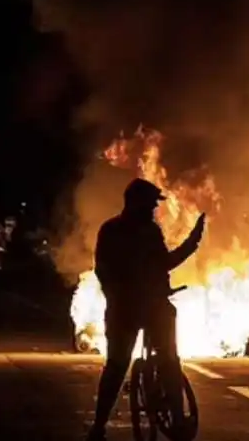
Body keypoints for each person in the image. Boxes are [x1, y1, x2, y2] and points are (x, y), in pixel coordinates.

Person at [86, 178, 205, 441]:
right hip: (147, 308)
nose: (154, 208)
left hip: (124, 310)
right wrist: (193, 241)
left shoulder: (111, 229)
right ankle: (177, 417)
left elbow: (102, 270)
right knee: (168, 361)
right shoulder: (146, 231)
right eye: (151, 203)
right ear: (137, 203)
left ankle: (98, 427)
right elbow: (166, 263)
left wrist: (114, 298)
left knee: (116, 366)